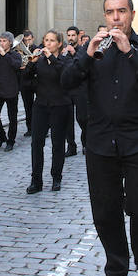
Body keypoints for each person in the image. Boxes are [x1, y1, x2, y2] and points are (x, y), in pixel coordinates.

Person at [61, 0, 138, 276]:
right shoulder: (93, 49)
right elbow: (67, 81)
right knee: (106, 211)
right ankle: (116, 274)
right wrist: (86, 54)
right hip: (100, 143)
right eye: (110, 12)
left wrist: (130, 53)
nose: (116, 17)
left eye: (122, 11)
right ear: (105, 16)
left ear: (132, 14)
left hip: (137, 142)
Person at [23, 30, 72, 193]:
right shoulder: (40, 61)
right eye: (46, 40)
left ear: (59, 44)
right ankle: (36, 180)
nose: (48, 43)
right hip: (41, 106)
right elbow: (25, 80)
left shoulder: (65, 61)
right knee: (36, 144)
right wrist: (32, 62)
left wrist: (51, 58)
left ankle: (56, 178)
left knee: (58, 144)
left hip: (60, 106)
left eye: (52, 41)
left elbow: (65, 75)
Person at [62, 26, 88, 156]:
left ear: (78, 36)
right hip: (68, 90)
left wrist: (73, 53)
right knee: (67, 120)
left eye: (73, 35)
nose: (71, 38)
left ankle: (85, 143)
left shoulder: (83, 50)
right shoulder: (65, 51)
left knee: (82, 118)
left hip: (80, 89)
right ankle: (71, 146)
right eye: (69, 35)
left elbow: (84, 66)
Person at [18, 30, 36, 138]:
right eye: (25, 40)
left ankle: (43, 127)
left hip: (36, 81)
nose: (27, 42)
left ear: (33, 39)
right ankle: (30, 128)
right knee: (27, 107)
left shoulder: (38, 49)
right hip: (25, 82)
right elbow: (19, 66)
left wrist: (29, 64)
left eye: (29, 40)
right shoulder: (20, 51)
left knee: (40, 106)